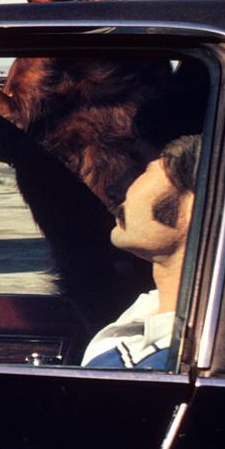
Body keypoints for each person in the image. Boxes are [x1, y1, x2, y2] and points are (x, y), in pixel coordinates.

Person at [81, 134, 201, 370]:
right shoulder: (149, 319)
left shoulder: (162, 367)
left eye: (144, 170)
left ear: (193, 208)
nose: (116, 189)